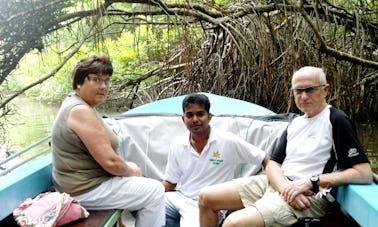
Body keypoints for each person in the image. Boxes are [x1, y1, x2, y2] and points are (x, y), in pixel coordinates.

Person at [198, 66, 373, 227]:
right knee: (206, 198)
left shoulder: (336, 120)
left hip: (310, 194)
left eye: (310, 89)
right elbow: (273, 164)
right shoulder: (295, 123)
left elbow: (363, 173)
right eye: (298, 91)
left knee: (233, 223)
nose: (304, 96)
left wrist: (312, 181)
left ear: (325, 90)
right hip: (280, 185)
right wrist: (285, 189)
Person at [51, 54, 165, 227]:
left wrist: (131, 170)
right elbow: (111, 163)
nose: (103, 86)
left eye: (106, 81)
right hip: (84, 189)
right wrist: (132, 172)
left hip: (81, 183)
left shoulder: (79, 103)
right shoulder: (80, 110)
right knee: (155, 191)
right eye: (96, 80)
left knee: (135, 172)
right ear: (79, 82)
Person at [162, 93, 269, 227]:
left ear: (209, 117)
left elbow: (264, 158)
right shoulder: (177, 144)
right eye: (190, 115)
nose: (195, 119)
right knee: (150, 205)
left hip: (207, 204)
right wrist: (149, 191)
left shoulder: (227, 140)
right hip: (181, 197)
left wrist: (276, 186)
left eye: (200, 114)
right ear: (183, 119)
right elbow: (171, 182)